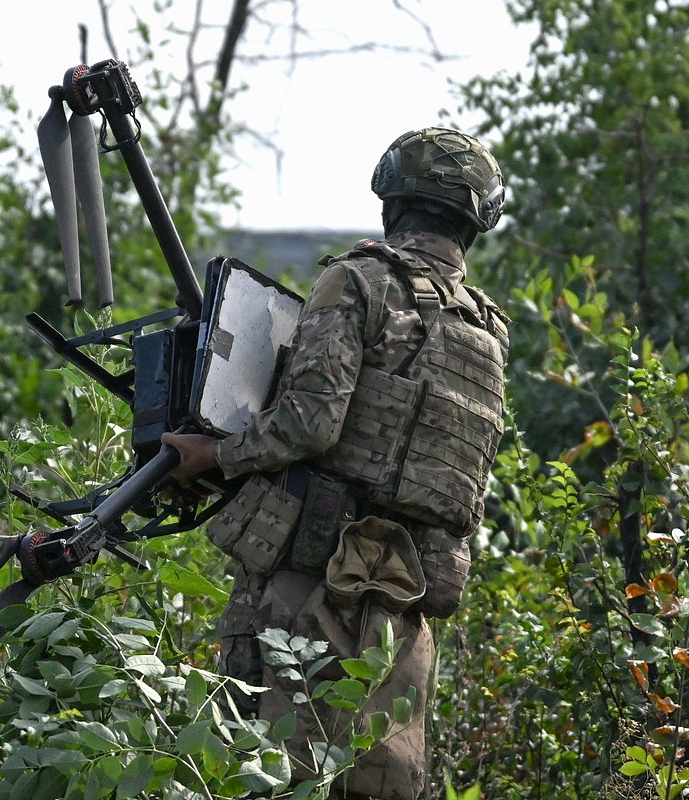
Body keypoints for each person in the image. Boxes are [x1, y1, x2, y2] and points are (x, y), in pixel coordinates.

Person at [162, 127, 510, 800]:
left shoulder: (358, 281)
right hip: (402, 607)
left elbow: (310, 424)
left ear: (392, 200)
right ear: (475, 223)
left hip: (310, 588)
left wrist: (214, 454)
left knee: (265, 773)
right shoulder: (487, 330)